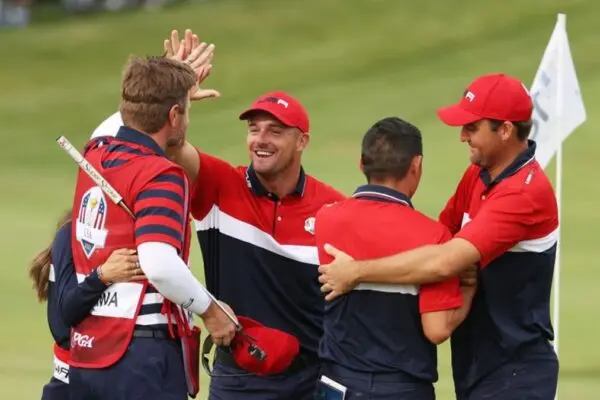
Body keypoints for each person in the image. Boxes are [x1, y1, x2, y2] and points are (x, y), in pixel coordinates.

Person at [91, 29, 346, 400]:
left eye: (275, 131)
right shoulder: (221, 183)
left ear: (302, 141)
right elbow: (152, 138)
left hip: (311, 379)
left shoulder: (333, 207)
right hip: (239, 377)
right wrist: (165, 94)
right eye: (254, 129)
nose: (261, 139)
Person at [318, 73, 559, 400]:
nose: (462, 136)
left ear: (504, 130)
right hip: (478, 359)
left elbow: (444, 260)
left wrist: (356, 272)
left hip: (515, 367)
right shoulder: (478, 173)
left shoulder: (523, 194)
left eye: (472, 127)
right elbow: (436, 237)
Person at [67, 55, 237, 400]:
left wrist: (156, 88)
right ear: (174, 115)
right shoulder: (160, 174)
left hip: (88, 354)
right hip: (141, 356)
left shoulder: (94, 153)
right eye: (185, 111)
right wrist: (211, 311)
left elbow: (117, 121)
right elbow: (159, 264)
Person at [313, 117, 476, 400]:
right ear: (416, 165)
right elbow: (437, 330)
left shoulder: (326, 218)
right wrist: (469, 288)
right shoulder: (435, 237)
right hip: (402, 388)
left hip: (337, 383)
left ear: (362, 164)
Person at [28, 210, 143, 400]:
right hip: (74, 382)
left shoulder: (128, 234)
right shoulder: (70, 233)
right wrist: (101, 276)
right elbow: (63, 324)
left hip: (102, 379)